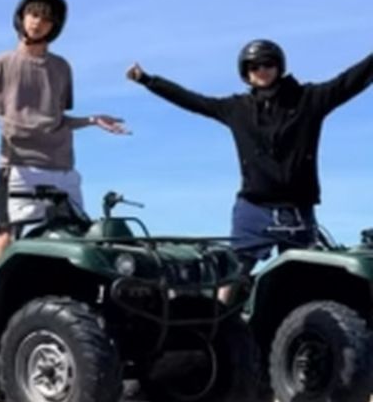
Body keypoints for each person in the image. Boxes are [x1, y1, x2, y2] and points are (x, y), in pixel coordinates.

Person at [0, 0, 128, 364]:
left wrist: (92, 120)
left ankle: (92, 334)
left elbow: (56, 119)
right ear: (21, 18)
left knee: (83, 242)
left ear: (55, 26)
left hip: (63, 168)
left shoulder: (61, 68)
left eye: (46, 17)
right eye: (31, 14)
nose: (37, 21)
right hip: (17, 168)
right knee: (3, 244)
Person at [127, 37, 373, 266]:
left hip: (297, 210)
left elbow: (348, 82)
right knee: (234, 272)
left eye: (267, 64)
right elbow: (192, 101)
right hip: (254, 207)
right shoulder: (236, 109)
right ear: (246, 73)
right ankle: (224, 312)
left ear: (279, 66)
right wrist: (149, 81)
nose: (262, 70)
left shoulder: (308, 100)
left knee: (305, 277)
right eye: (254, 66)